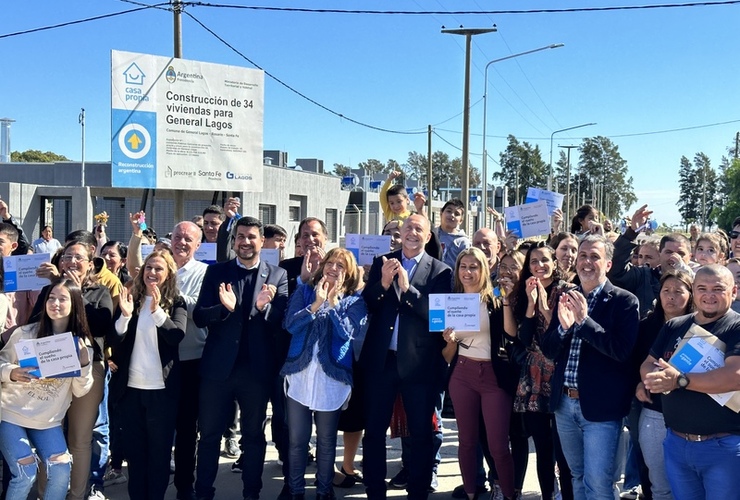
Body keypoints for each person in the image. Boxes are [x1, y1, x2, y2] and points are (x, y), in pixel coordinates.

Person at [193, 216, 289, 500]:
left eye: (251, 237)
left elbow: (281, 322)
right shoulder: (216, 273)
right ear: (233, 241)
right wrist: (223, 309)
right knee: (209, 436)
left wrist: (263, 308)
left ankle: (252, 493)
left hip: (256, 372)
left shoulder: (277, 275)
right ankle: (203, 492)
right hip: (217, 370)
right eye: (240, 237)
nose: (245, 242)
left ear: (262, 242)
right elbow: (199, 316)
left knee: (254, 436)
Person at [360, 214, 452, 500]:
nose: (412, 232)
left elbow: (437, 319)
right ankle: (375, 491)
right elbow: (368, 304)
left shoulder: (441, 271)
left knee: (421, 435)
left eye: (419, 229)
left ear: (428, 236)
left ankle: (418, 491)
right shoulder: (382, 262)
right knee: (374, 432)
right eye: (408, 227)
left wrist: (406, 289)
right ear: (400, 232)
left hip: (419, 366)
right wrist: (383, 285)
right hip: (382, 361)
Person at [541, 234, 640, 500]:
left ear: (608, 264)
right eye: (582, 255)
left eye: (595, 256)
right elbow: (548, 350)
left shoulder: (624, 301)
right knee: (576, 477)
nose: (586, 262)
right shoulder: (567, 296)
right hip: (564, 404)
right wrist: (562, 329)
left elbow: (621, 351)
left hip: (601, 409)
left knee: (599, 483)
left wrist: (583, 322)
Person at [642, 265, 740, 500]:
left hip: (723, 446)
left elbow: (734, 376)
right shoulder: (674, 325)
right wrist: (654, 379)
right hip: (677, 443)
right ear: (694, 292)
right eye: (702, 288)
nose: (709, 295)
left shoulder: (736, 326)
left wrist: (679, 381)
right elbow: (647, 364)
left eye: (718, 289)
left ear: (734, 291)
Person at [28, 239, 114, 500]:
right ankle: (46, 494)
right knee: (49, 433)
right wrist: (56, 292)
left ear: (90, 264)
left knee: (80, 439)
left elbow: (102, 326)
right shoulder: (49, 291)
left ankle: (77, 495)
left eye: (79, 258)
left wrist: (74, 294)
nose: (72, 262)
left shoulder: (100, 293)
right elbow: (34, 324)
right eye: (67, 257)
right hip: (50, 367)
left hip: (86, 368)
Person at [281, 248, 368, 500]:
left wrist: (331, 305)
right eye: (331, 262)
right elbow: (290, 325)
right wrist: (315, 304)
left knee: (327, 441)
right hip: (299, 372)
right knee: (297, 440)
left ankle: (323, 491)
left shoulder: (355, 301)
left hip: (332, 379)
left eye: (341, 265)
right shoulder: (305, 290)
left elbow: (346, 334)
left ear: (349, 273)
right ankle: (296, 491)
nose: (333, 268)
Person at [0, 278, 94, 500]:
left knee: (61, 470)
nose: (55, 304)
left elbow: (81, 391)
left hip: (48, 420)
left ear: (75, 305)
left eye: (63, 299)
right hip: (11, 414)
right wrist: (11, 372)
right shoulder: (25, 333)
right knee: (26, 473)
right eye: (51, 298)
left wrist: (84, 364)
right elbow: (2, 363)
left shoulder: (80, 345)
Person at [109, 250, 187, 500]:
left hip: (161, 392)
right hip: (131, 390)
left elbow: (176, 335)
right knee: (136, 454)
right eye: (149, 268)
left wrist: (156, 311)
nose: (152, 273)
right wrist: (124, 315)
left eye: (158, 269)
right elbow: (114, 339)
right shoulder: (131, 299)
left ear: (169, 274)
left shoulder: (177, 302)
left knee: (159, 454)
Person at [441, 248, 518, 500]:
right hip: (462, 373)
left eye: (474, 266)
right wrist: (449, 341)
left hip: (493, 375)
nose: (468, 272)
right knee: (467, 442)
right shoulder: (450, 301)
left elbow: (510, 334)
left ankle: (508, 494)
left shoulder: (494, 296)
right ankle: (472, 494)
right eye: (463, 266)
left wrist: (505, 300)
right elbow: (446, 356)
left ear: (484, 270)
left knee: (498, 445)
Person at [510, 243, 576, 500]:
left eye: (545, 260)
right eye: (534, 261)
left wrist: (546, 309)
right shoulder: (524, 291)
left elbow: (563, 336)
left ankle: (568, 495)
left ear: (554, 262)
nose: (539, 265)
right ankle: (548, 494)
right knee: (542, 447)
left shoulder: (568, 292)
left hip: (560, 373)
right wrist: (530, 304)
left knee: (564, 450)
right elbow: (525, 339)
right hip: (534, 377)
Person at [633, 271, 693, 500]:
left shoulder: (702, 328)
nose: (671, 297)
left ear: (690, 295)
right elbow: (634, 363)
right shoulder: (646, 326)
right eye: (666, 291)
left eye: (679, 291)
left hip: (691, 417)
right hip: (654, 412)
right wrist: (638, 383)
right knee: (659, 485)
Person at [169, 222, 209, 500]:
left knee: (186, 429)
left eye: (188, 239)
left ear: (198, 245)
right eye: (177, 237)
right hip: (157, 360)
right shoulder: (157, 267)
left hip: (190, 360)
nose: (182, 242)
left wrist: (174, 296)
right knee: (158, 428)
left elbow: (202, 310)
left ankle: (185, 485)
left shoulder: (206, 273)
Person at [609, 205, 692, 318]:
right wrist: (631, 233)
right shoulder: (643, 276)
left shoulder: (697, 283)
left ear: (690, 257)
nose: (674, 257)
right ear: (660, 254)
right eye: (668, 252)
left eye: (681, 254)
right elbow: (615, 269)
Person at [435, 198, 471, 269]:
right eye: (449, 211)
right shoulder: (432, 234)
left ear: (461, 220)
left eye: (456, 214)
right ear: (441, 213)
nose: (452, 215)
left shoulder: (463, 242)